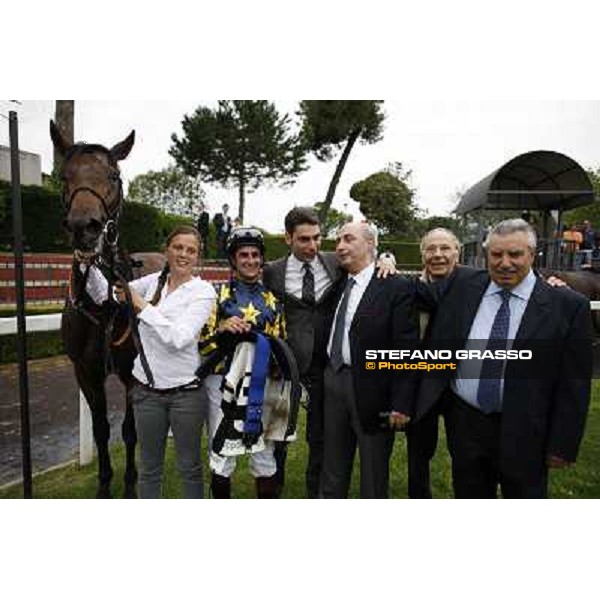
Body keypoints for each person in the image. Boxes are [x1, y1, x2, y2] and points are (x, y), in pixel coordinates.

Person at [415, 218, 592, 498]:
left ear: (532, 255)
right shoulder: (463, 284)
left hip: (527, 429)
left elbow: (575, 384)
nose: (504, 263)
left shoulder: (567, 307)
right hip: (466, 424)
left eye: (515, 254)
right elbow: (414, 294)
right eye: (496, 255)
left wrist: (562, 445)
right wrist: (382, 265)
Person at [262, 206, 397, 498]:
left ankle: (316, 494)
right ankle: (274, 489)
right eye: (304, 240)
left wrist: (387, 257)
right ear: (288, 238)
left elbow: (367, 256)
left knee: (322, 439)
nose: (313, 246)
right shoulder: (271, 272)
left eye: (317, 238)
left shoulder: (336, 262)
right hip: (284, 366)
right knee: (277, 437)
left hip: (324, 366)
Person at [114, 225, 216, 499]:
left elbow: (179, 337)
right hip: (146, 392)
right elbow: (114, 291)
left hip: (186, 395)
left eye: (191, 250)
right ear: (167, 250)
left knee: (189, 467)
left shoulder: (202, 292)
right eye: (178, 247)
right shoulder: (153, 282)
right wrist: (92, 260)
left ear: (198, 257)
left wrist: (140, 305)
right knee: (148, 468)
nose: (183, 254)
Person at [321, 222, 418, 499]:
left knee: (374, 469)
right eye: (338, 240)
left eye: (348, 239)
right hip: (334, 379)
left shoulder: (395, 286)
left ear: (370, 245)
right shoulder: (338, 280)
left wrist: (401, 402)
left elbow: (406, 349)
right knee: (333, 462)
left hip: (374, 388)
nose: (340, 246)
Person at [199, 227, 292, 499]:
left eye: (255, 255)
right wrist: (222, 329)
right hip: (221, 385)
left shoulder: (273, 301)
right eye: (243, 255)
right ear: (233, 260)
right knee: (221, 455)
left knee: (264, 455)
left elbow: (282, 345)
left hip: (261, 385)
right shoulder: (218, 295)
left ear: (261, 259)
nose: (250, 260)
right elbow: (203, 343)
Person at [405, 227, 460, 498]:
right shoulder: (408, 288)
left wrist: (554, 282)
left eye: (445, 248)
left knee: (466, 455)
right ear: (422, 254)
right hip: (421, 384)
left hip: (462, 386)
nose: (438, 255)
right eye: (431, 249)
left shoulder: (477, 285)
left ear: (457, 252)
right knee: (418, 455)